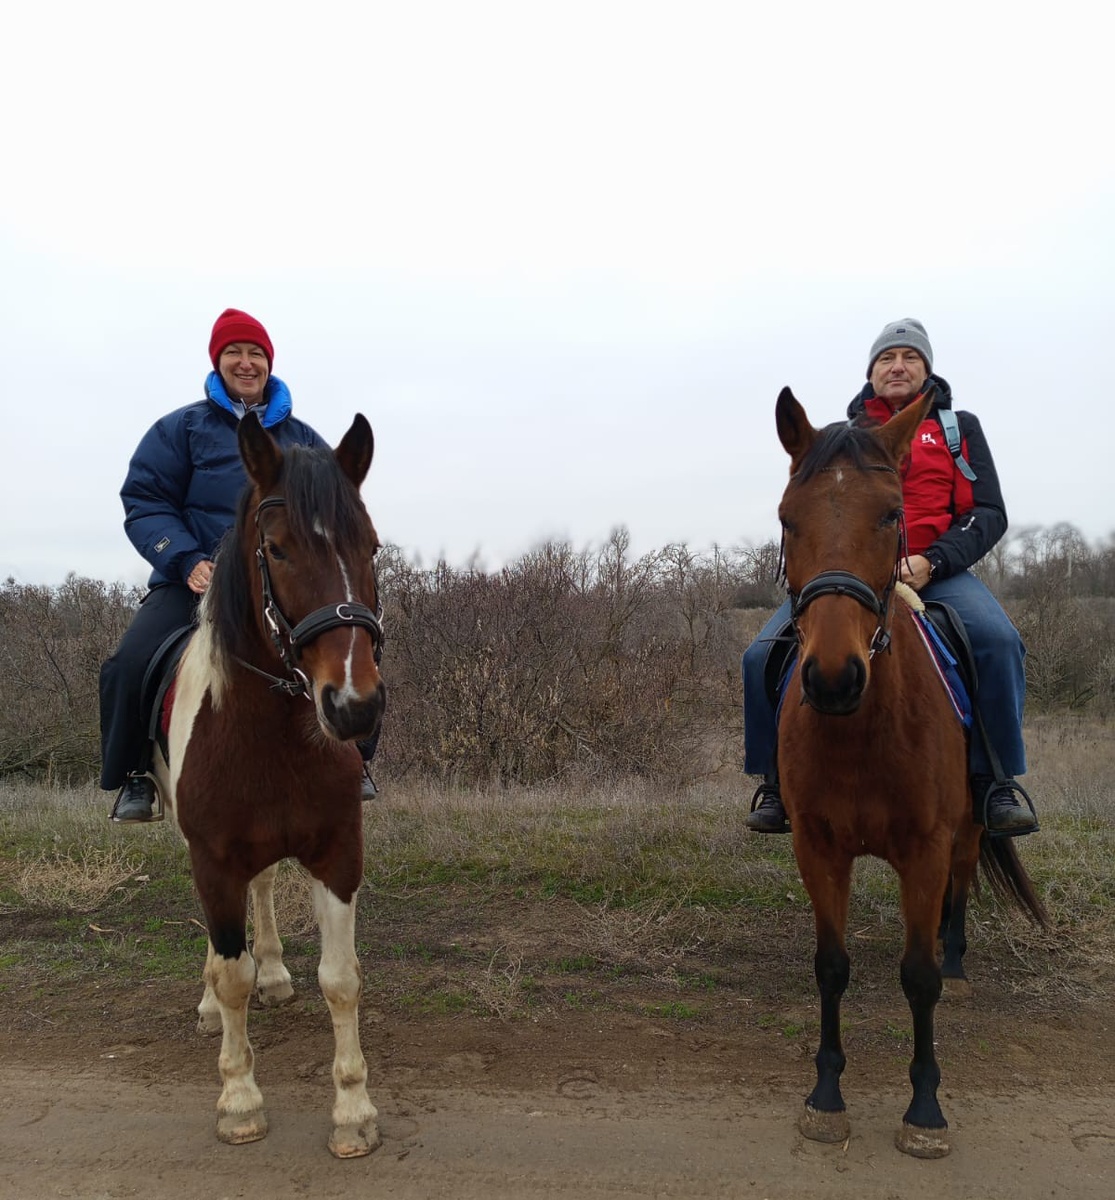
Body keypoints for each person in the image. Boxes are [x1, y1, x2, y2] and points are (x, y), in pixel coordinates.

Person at [742, 318, 1038, 837]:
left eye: (910, 358)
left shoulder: (956, 428)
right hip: (854, 576)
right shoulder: (843, 439)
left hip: (937, 572)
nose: (897, 366)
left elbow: (988, 512)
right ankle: (775, 782)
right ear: (871, 373)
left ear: (926, 371)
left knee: (998, 641)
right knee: (760, 655)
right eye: (886, 358)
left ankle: (996, 783)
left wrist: (934, 561)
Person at [100, 308, 381, 823]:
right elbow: (144, 500)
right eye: (235, 353)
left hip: (279, 587)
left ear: (269, 364)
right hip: (193, 582)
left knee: (354, 643)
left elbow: (335, 516)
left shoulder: (304, 439)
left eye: (256, 354)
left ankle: (355, 758)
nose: (246, 363)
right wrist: (184, 559)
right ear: (217, 360)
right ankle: (134, 774)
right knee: (126, 665)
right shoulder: (179, 430)